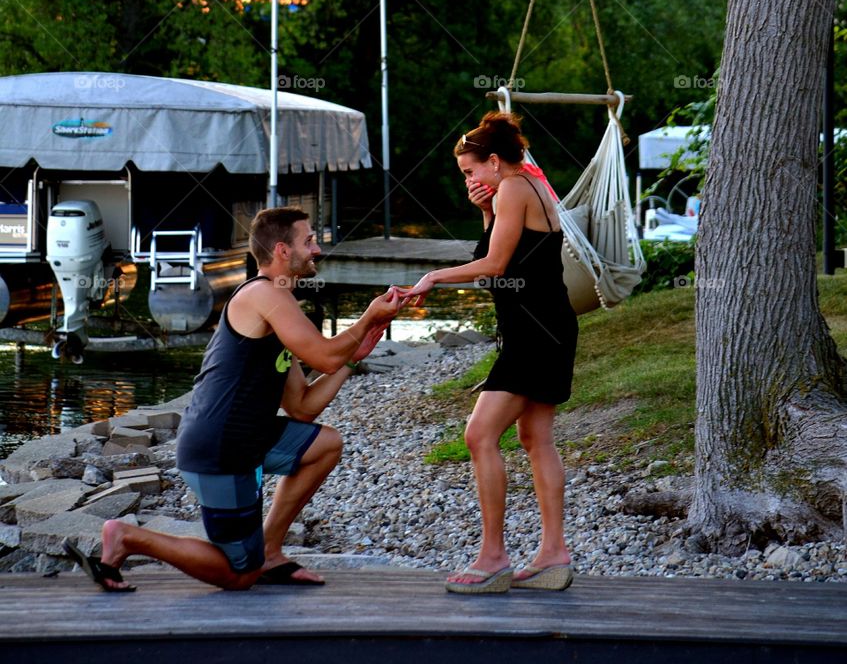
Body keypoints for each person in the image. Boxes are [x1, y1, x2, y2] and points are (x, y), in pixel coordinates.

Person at [64, 206, 401, 592]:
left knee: (325, 445)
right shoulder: (265, 294)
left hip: (248, 439)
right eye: (308, 241)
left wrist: (351, 361)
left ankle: (270, 550)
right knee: (239, 575)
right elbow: (323, 354)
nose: (317, 250)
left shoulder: (278, 308)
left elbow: (302, 406)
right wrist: (369, 317)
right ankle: (127, 537)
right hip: (220, 449)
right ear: (282, 251)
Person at [401, 111, 578, 595]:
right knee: (535, 437)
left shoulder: (514, 189)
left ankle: (493, 557)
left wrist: (434, 277)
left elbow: (495, 265)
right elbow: (509, 257)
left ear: (494, 161)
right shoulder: (530, 187)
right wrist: (485, 210)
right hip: (549, 327)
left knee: (479, 434)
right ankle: (552, 555)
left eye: (470, 171)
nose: (469, 180)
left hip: (535, 335)